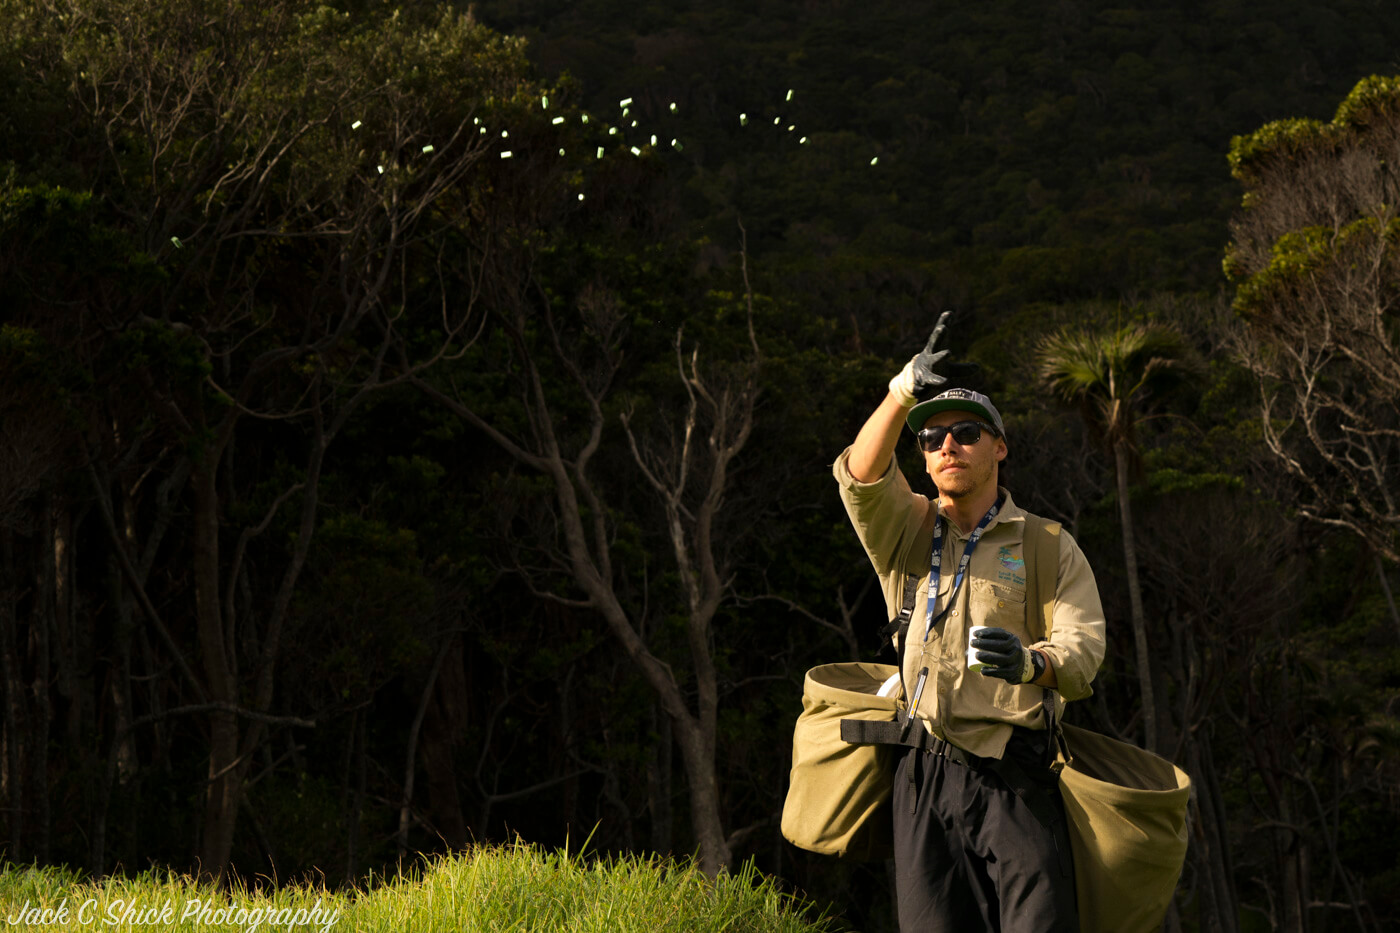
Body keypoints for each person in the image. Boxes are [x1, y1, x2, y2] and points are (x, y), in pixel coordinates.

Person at [833, 314, 1106, 932]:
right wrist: (901, 392)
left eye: (966, 433)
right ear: (924, 460)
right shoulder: (906, 529)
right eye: (932, 439)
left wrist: (1032, 662)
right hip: (922, 770)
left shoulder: (1047, 544)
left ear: (1000, 447)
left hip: (1016, 773)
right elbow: (859, 477)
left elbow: (1083, 648)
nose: (948, 446)